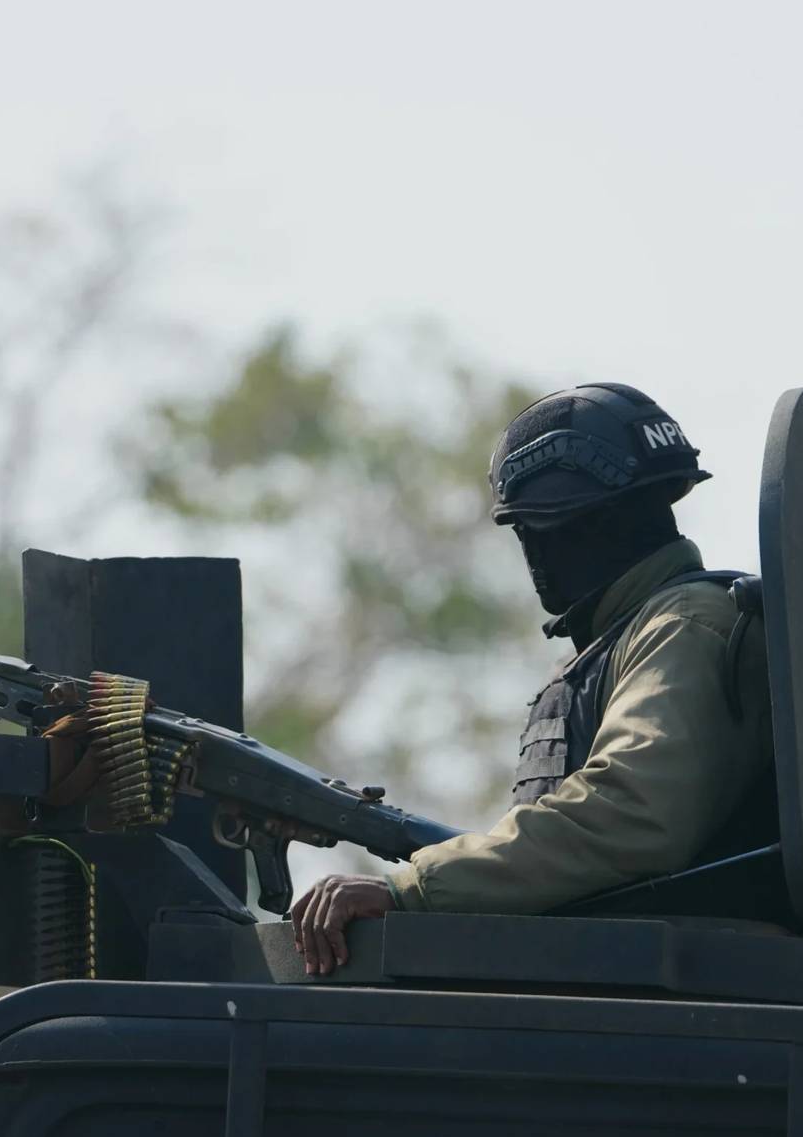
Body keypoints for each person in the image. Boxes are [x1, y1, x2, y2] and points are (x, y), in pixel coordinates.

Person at [290, 382, 776, 974]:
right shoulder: (635, 632)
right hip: (625, 976)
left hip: (680, 984)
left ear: (581, 526)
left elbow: (632, 811)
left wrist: (412, 888)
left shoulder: (684, 626)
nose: (534, 556)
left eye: (534, 532)